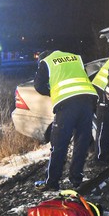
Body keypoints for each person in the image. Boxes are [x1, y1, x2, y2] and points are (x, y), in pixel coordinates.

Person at [33, 48, 98, 191]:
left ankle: (52, 182)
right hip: (88, 100)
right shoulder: (75, 56)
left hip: (67, 105)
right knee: (81, 142)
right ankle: (76, 179)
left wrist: (53, 91)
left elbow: (38, 86)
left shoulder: (46, 62)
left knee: (59, 144)